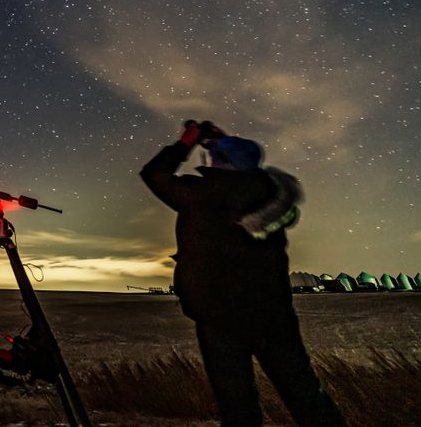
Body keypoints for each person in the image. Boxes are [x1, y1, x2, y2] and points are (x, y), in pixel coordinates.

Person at [140, 120, 347, 427]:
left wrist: (188, 141)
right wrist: (225, 145)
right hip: (274, 316)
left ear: (222, 163)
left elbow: (154, 174)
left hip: (220, 319)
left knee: (238, 407)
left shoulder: (203, 194)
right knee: (306, 396)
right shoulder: (272, 194)